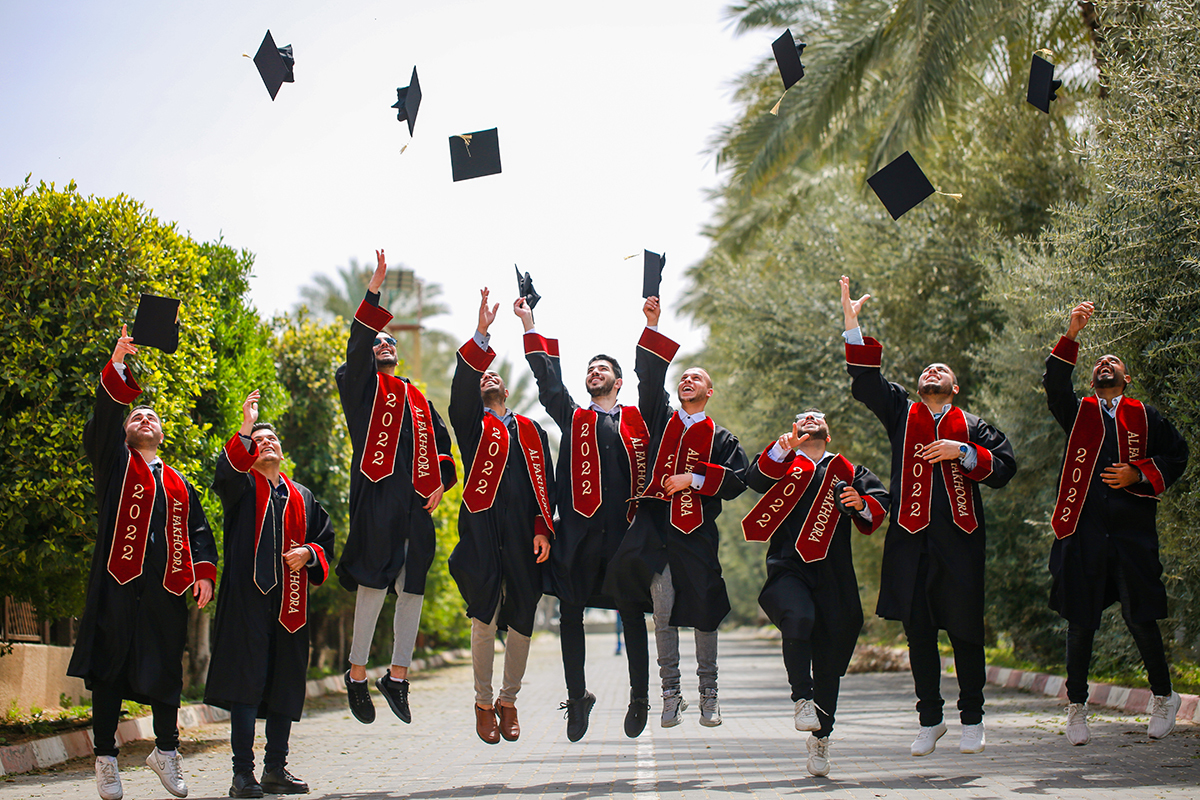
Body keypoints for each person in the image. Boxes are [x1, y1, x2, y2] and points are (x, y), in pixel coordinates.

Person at [840, 275, 1016, 757]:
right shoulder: (903, 414)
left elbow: (1005, 470)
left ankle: (973, 719)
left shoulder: (973, 427)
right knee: (918, 632)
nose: (932, 371)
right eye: (927, 369)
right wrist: (852, 324)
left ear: (954, 387)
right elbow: (867, 382)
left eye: (942, 370)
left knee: (963, 631)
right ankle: (929, 719)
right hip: (910, 540)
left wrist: (965, 452)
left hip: (959, 540)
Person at [69, 325, 218, 800]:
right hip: (116, 583)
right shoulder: (113, 462)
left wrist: (203, 573)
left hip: (164, 589)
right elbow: (105, 415)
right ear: (126, 432)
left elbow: (198, 531)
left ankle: (166, 752)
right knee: (109, 669)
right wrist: (116, 365)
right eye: (137, 416)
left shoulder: (178, 482)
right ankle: (106, 760)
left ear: (162, 433)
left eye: (152, 416)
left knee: (165, 673)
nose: (145, 419)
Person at [1044, 301, 1189, 745]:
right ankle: (1076, 708)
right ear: (1092, 380)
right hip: (1083, 534)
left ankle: (1164, 697)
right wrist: (1072, 331)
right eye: (1099, 363)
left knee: (1140, 617)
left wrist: (1138, 472)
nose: (1106, 363)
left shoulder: (1145, 417)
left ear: (1127, 379)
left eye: (1114, 363)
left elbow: (1177, 455)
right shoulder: (1080, 413)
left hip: (1131, 535)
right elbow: (1054, 385)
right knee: (1080, 622)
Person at [605, 296, 749, 729]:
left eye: (696, 378)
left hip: (697, 536)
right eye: (683, 377)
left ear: (709, 392)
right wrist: (652, 326)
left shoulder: (721, 437)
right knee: (663, 613)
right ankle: (671, 692)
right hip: (657, 533)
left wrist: (695, 480)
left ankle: (709, 693)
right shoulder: (660, 421)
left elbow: (739, 478)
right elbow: (649, 381)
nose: (687, 380)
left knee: (704, 613)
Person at [515, 294, 653, 741]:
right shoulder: (574, 418)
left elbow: (656, 388)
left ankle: (639, 697)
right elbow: (548, 382)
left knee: (632, 615)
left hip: (625, 540)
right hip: (577, 537)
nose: (594, 372)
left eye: (602, 368)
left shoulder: (638, 423)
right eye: (589, 368)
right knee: (569, 615)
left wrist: (651, 324)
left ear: (617, 381)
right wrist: (529, 323)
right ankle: (578, 697)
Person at [335, 249, 457, 725]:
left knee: (414, 587)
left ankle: (398, 677)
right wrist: (374, 293)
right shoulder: (357, 385)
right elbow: (357, 346)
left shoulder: (417, 397)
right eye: (377, 341)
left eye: (390, 342)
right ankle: (357, 672)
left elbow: (444, 446)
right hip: (376, 499)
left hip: (415, 506)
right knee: (371, 581)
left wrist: (442, 484)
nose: (384, 344)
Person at [743, 409, 889, 777]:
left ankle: (822, 737)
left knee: (828, 662)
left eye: (815, 418)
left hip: (834, 575)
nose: (809, 420)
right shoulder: (782, 464)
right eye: (802, 418)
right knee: (798, 617)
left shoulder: (848, 471)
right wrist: (783, 448)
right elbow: (753, 478)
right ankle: (801, 699)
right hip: (788, 567)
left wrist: (861, 504)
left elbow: (880, 501)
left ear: (828, 431)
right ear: (794, 430)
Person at [207, 391, 336, 797]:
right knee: (246, 685)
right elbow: (224, 472)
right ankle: (241, 774)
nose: (267, 444)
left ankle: (275, 769)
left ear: (283, 451)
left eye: (272, 440)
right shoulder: (242, 487)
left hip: (291, 608)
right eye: (258, 441)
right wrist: (247, 424)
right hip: (247, 602)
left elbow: (325, 542)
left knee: (284, 684)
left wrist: (309, 553)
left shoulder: (303, 496)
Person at [448, 288, 554, 744]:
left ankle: (509, 700)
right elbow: (458, 394)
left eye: (494, 376)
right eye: (481, 377)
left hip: (523, 536)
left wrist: (542, 530)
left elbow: (544, 486)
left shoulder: (530, 431)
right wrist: (482, 334)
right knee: (484, 618)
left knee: (523, 615)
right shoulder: (473, 428)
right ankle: (483, 702)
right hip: (482, 533)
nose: (487, 378)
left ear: (507, 391)